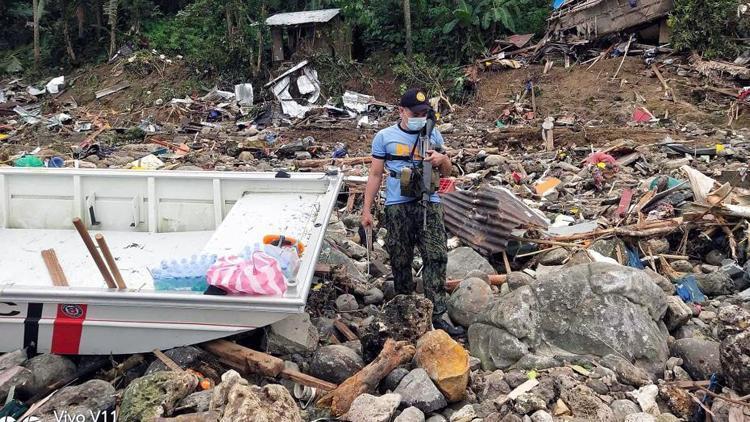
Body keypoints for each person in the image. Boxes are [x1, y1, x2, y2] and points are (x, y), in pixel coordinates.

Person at [361, 88, 464, 337]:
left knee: (436, 256)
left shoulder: (433, 134)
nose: (420, 116)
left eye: (424, 113)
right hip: (397, 204)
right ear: (401, 111)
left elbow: (449, 171)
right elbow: (375, 175)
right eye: (415, 113)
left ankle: (437, 314)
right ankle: (406, 310)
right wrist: (366, 210)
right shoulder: (384, 137)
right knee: (400, 258)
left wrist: (441, 159)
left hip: (430, 201)